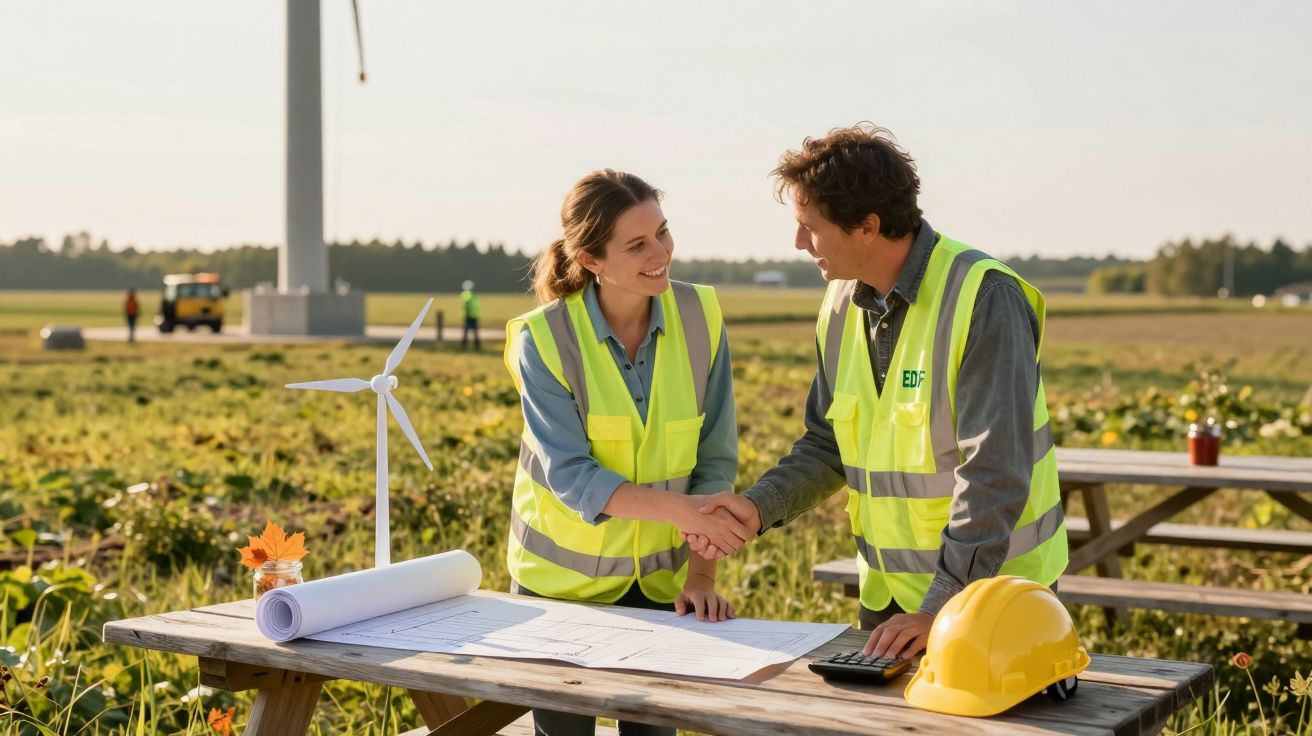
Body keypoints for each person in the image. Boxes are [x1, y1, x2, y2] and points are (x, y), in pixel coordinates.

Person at [686, 124, 1068, 663]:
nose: (799, 244)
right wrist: (757, 507)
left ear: (867, 226)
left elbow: (995, 469)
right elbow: (827, 443)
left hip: (992, 600)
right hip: (890, 604)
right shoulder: (840, 305)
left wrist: (942, 606)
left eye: (809, 228)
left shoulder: (985, 295)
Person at [504, 169, 751, 736]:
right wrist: (684, 514)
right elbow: (572, 476)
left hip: (664, 587)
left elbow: (714, 456)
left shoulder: (700, 316)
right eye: (637, 245)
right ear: (591, 259)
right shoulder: (542, 340)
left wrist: (703, 577)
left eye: (663, 233)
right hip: (558, 592)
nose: (661, 253)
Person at [460, 279, 482, 350]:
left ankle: (464, 346)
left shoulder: (464, 295)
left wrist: (464, 314)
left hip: (468, 316)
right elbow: (478, 305)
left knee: (466, 331)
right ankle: (477, 346)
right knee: (475, 332)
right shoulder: (476, 295)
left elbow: (464, 306)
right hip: (474, 315)